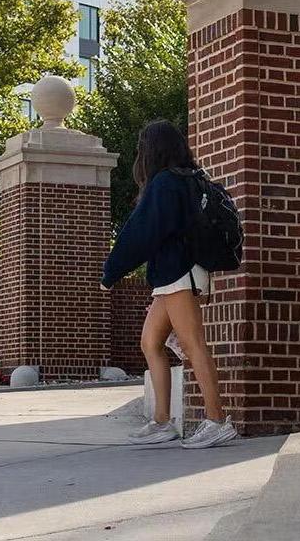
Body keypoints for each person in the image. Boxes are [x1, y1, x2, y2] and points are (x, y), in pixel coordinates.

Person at [101, 120, 237, 449]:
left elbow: (141, 233)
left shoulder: (166, 183)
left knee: (193, 344)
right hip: (173, 274)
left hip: (180, 272)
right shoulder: (189, 180)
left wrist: (111, 272)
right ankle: (163, 422)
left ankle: (218, 420)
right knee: (151, 342)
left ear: (152, 149)